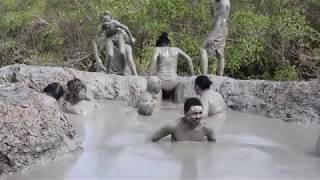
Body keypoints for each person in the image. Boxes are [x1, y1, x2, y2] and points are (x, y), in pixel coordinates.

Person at [149, 32, 194, 101]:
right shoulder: (176, 49)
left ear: (159, 44)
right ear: (168, 43)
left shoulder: (158, 49)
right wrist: (192, 75)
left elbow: (154, 59)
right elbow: (189, 59)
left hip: (161, 81)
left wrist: (150, 75)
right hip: (174, 82)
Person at [92, 11, 138, 75]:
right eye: (105, 22)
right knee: (110, 55)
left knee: (122, 52)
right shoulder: (103, 27)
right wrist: (97, 57)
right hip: (109, 38)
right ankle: (107, 72)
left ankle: (122, 70)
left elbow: (126, 28)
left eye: (108, 21)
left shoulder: (114, 23)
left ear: (111, 20)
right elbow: (95, 40)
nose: (106, 23)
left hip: (119, 36)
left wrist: (131, 38)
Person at [151, 97, 216, 142]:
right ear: (185, 113)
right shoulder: (173, 126)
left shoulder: (207, 129)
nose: (198, 116)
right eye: (194, 113)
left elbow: (212, 146)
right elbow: (152, 139)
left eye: (200, 113)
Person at [200, 0, 230, 75]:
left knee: (203, 48)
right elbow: (215, 15)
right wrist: (211, 5)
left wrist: (212, 36)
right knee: (219, 53)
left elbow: (219, 21)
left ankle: (204, 75)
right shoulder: (221, 2)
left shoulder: (223, 4)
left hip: (219, 29)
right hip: (221, 29)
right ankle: (220, 76)